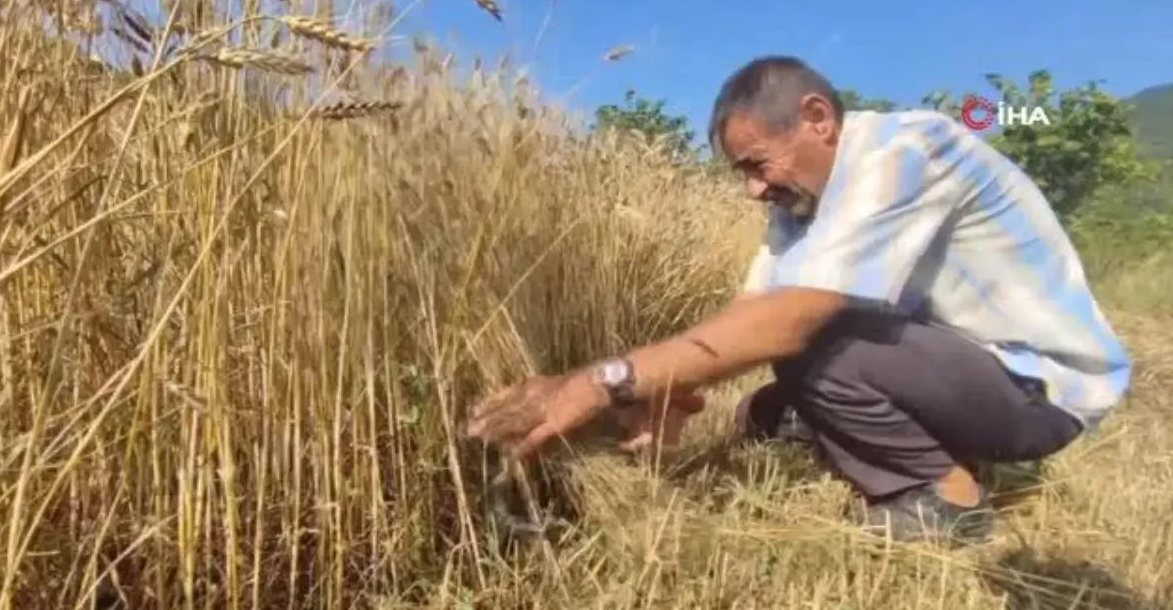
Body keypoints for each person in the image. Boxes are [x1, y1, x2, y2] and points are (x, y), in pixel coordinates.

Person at [465, 55, 1132, 544]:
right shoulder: (805, 203)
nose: (753, 189)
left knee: (816, 344)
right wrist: (669, 390)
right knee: (763, 414)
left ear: (817, 119)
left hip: (1040, 393)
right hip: (968, 370)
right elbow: (750, 309)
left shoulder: (907, 149)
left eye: (757, 164)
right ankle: (945, 444)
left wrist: (604, 380)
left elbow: (787, 321)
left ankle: (945, 500)